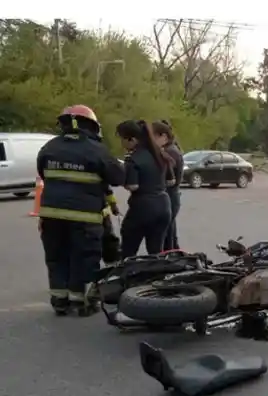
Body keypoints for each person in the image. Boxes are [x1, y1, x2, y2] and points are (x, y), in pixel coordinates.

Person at [37, 104, 125, 316]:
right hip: (84, 218)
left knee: (57, 257)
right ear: (91, 125)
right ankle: (82, 302)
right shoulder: (96, 149)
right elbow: (118, 177)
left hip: (50, 216)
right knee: (83, 257)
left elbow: (42, 172)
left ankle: (59, 300)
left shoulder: (49, 147)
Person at [116, 119, 173, 258]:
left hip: (143, 208)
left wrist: (122, 180)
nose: (121, 144)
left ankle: (127, 276)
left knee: (128, 250)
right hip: (164, 205)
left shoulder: (133, 158)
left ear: (132, 139)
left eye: (122, 139)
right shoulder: (159, 154)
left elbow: (133, 186)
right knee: (156, 250)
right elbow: (170, 180)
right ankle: (157, 276)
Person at [153, 121, 183, 250]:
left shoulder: (170, 152)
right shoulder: (172, 149)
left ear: (164, 136)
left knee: (166, 237)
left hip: (170, 196)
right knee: (170, 233)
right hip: (172, 196)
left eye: (154, 136)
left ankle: (169, 261)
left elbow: (168, 177)